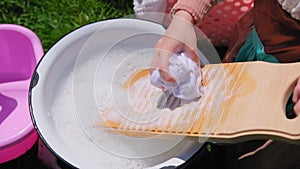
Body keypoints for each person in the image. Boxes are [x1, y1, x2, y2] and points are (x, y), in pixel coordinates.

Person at [150, 0, 300, 168]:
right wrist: (184, 18)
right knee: (226, 110)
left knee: (260, 160)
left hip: (292, 97)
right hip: (257, 37)